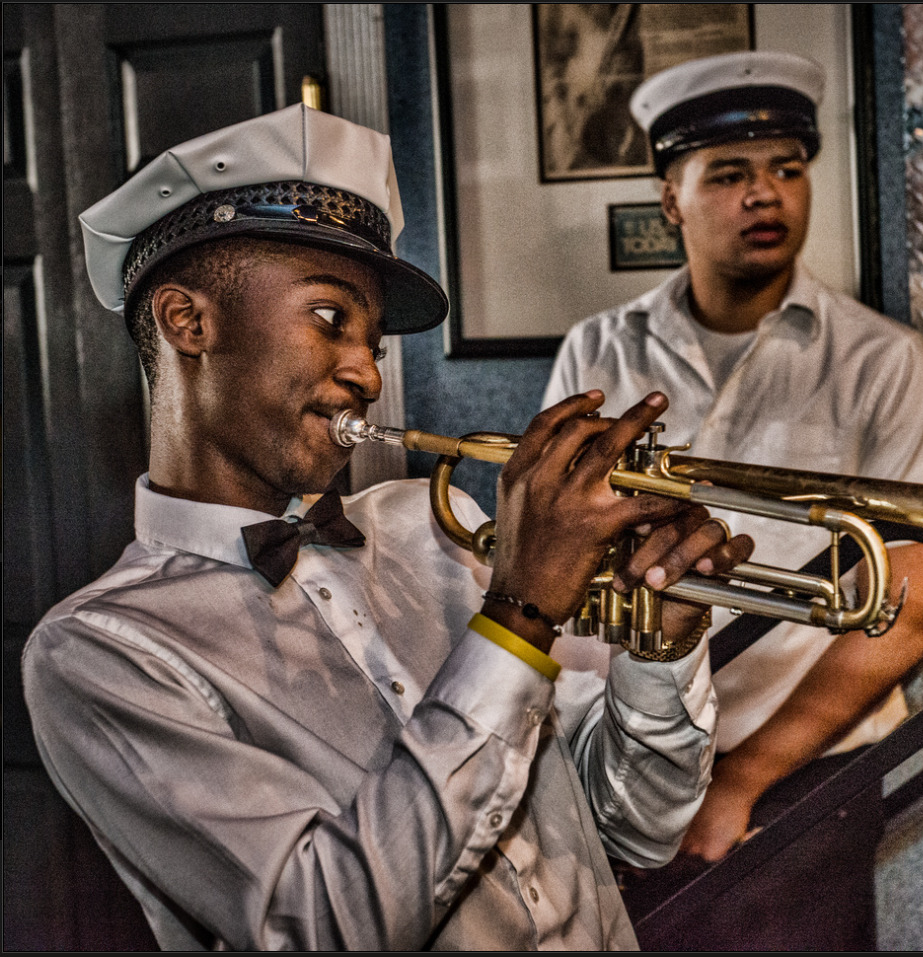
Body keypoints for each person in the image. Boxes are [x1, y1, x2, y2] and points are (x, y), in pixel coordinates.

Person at [20, 103, 754, 951]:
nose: (367, 370)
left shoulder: (435, 524)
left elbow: (637, 829)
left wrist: (657, 656)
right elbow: (326, 921)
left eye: (373, 339)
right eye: (330, 319)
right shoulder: (100, 653)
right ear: (189, 323)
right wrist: (515, 616)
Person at [543, 50, 923, 949]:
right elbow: (564, 557)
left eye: (786, 169)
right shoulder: (598, 351)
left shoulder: (882, 363)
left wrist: (738, 781)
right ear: (670, 200)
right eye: (729, 174)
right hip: (623, 752)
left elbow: (910, 602)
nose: (766, 195)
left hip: (802, 778)